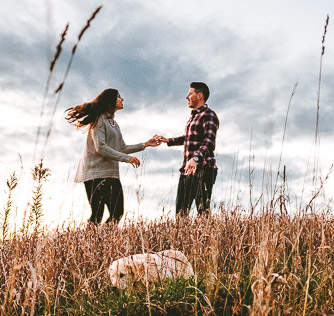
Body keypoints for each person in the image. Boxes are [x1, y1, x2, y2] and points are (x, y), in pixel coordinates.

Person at [66, 88, 161, 225]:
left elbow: (122, 148)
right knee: (97, 213)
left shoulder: (114, 124)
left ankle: (102, 241)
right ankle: (89, 243)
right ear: (110, 100)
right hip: (95, 173)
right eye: (119, 97)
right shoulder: (98, 120)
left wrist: (145, 144)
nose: (122, 99)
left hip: (111, 174)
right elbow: (101, 147)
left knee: (117, 212)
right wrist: (127, 159)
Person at [156, 82, 219, 216]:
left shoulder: (209, 115)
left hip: (203, 168)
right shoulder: (193, 117)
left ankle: (206, 236)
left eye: (190, 94)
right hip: (187, 169)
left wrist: (196, 159)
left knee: (203, 212)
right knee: (180, 212)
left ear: (200, 96)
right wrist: (169, 141)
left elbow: (209, 141)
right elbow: (189, 138)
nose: (186, 97)